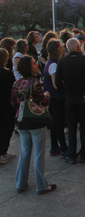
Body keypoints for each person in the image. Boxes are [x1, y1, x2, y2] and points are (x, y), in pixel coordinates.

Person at [11, 56, 56, 194]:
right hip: (35, 121)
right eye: (33, 63)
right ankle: (41, 185)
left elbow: (13, 103)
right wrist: (47, 95)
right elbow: (43, 101)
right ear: (28, 67)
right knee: (39, 153)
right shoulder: (35, 83)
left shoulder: (16, 83)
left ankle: (21, 183)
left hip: (22, 120)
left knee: (24, 152)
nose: (36, 65)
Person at [55, 38, 85, 164]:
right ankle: (84, 153)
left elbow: (57, 81)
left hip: (69, 96)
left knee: (71, 127)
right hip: (83, 96)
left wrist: (65, 90)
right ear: (78, 47)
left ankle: (71, 154)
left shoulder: (62, 61)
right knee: (84, 126)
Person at [43, 39, 68, 158]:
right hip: (57, 98)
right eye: (60, 47)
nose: (62, 49)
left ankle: (54, 147)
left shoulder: (50, 62)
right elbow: (56, 84)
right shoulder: (53, 65)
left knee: (54, 124)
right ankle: (64, 148)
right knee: (59, 124)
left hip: (53, 97)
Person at [0, 48, 16, 164]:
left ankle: (3, 151)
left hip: (5, 105)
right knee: (6, 129)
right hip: (6, 105)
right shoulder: (7, 74)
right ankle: (2, 151)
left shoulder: (7, 73)